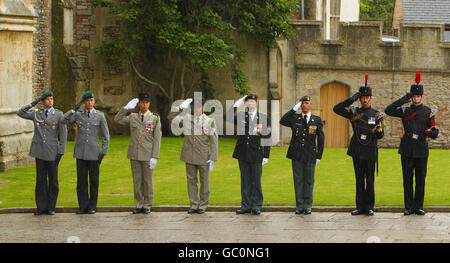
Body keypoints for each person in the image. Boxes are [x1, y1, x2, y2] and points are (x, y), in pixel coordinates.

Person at [385, 72, 439, 216]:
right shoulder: (405, 110)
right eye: (413, 96)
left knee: (420, 179)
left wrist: (433, 133)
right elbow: (388, 110)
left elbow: (432, 130)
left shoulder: (428, 112)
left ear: (422, 96)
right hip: (407, 148)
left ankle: (419, 206)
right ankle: (408, 207)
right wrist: (405, 98)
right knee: (407, 179)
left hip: (421, 147)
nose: (415, 98)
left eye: (417, 96)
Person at [333, 75, 384, 216]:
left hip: (370, 150)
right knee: (359, 179)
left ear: (371, 99)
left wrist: (377, 133)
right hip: (357, 150)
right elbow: (336, 108)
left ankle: (369, 207)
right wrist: (352, 98)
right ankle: (360, 206)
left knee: (370, 179)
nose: (365, 100)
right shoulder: (354, 111)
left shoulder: (377, 114)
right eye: (362, 97)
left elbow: (381, 134)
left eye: (367, 97)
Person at [17, 91, 67, 215]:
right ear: (43, 102)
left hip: (52, 152)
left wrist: (61, 151)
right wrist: (32, 103)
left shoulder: (59, 115)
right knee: (40, 180)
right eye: (47, 99)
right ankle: (41, 207)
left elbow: (63, 135)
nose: (50, 101)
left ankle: (51, 207)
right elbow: (20, 113)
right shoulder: (36, 114)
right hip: (39, 151)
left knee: (53, 181)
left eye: (51, 99)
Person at [168, 96, 218, 214]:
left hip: (203, 156)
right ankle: (194, 204)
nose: (197, 109)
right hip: (189, 154)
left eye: (199, 107)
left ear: (203, 107)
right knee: (191, 180)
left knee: (204, 181)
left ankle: (203, 205)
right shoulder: (186, 118)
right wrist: (179, 107)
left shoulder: (209, 121)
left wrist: (213, 158)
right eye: (195, 106)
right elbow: (170, 117)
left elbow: (214, 141)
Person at [62, 91, 110, 214]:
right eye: (87, 101)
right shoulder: (78, 115)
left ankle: (92, 206)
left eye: (91, 100)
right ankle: (82, 206)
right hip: (81, 153)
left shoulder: (100, 116)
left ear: (94, 101)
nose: (89, 103)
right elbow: (63, 120)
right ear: (84, 102)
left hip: (94, 153)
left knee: (94, 181)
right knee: (81, 181)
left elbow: (106, 135)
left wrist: (103, 152)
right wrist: (74, 109)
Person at [114, 92, 161, 214]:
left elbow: (157, 139)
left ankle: (147, 205)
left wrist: (155, 156)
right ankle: (139, 204)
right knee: (137, 180)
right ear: (139, 103)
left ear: (149, 103)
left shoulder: (155, 118)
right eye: (142, 102)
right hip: (134, 153)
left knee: (147, 181)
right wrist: (126, 108)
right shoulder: (133, 116)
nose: (144, 105)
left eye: (146, 102)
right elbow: (117, 119)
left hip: (147, 154)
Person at [226, 94, 271, 215]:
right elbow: (227, 116)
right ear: (245, 104)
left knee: (256, 181)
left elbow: (266, 137)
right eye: (248, 101)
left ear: (256, 103)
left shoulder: (263, 117)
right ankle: (245, 205)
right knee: (245, 180)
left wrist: (266, 155)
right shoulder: (241, 116)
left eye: (252, 101)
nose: (250, 103)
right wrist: (237, 104)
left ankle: (256, 205)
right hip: (243, 153)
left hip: (256, 153)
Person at [280, 96, 324, 215]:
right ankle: (299, 206)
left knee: (309, 181)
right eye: (302, 103)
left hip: (310, 154)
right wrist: (294, 109)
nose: (304, 105)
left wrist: (319, 155)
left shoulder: (316, 120)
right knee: (298, 180)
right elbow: (282, 120)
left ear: (310, 104)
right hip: (297, 154)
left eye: (307, 103)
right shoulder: (295, 118)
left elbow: (321, 139)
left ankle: (308, 205)